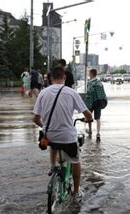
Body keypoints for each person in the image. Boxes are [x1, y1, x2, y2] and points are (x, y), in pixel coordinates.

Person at [33, 67, 93, 200]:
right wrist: (89, 119)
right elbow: (87, 114)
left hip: (49, 136)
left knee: (53, 143)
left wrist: (46, 127)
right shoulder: (71, 93)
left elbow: (36, 119)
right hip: (67, 137)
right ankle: (76, 191)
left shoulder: (43, 93)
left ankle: (52, 166)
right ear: (64, 78)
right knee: (76, 161)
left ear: (51, 78)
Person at [84, 69, 107, 142]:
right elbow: (102, 93)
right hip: (98, 102)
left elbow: (88, 93)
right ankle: (98, 133)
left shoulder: (90, 83)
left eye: (89, 73)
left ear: (91, 74)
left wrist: (85, 102)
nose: (88, 74)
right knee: (98, 118)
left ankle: (90, 130)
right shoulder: (99, 82)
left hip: (91, 102)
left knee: (89, 116)